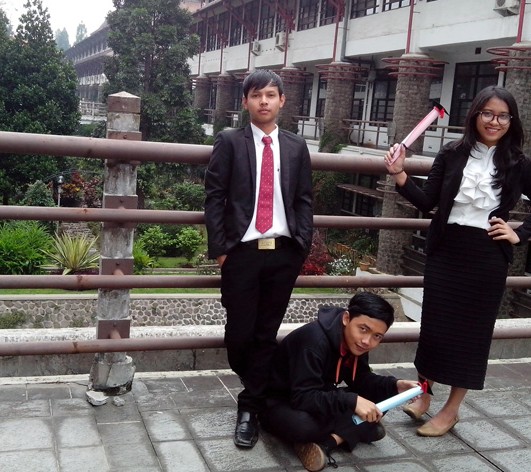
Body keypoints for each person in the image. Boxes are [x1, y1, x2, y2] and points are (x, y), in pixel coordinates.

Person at [384, 85, 531, 437]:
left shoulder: (518, 163)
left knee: (471, 335)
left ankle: (451, 410)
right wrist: (400, 174)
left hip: (486, 256)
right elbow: (427, 201)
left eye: (503, 116)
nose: (494, 121)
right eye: (488, 113)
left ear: (511, 121)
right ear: (475, 115)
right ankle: (424, 394)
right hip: (446, 251)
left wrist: (519, 234)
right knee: (434, 327)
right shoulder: (452, 153)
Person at [204, 69, 313, 449]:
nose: (263, 101)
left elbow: (303, 198)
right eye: (256, 95)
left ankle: (250, 409)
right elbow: (214, 196)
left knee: (266, 334)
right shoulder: (230, 141)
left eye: (270, 95)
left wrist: (302, 244)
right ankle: (264, 392)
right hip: (242, 253)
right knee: (239, 335)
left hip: (284, 252)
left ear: (282, 100)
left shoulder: (296, 146)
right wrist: (221, 250)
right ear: (245, 101)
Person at [259, 292, 419, 472]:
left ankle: (330, 442)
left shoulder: (357, 343)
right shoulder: (313, 340)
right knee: (304, 426)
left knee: (382, 399)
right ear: (346, 318)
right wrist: (351, 401)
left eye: (377, 336)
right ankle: (358, 427)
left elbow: (361, 379)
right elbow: (302, 397)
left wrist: (396, 385)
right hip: (282, 402)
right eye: (363, 329)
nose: (367, 341)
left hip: (320, 395)